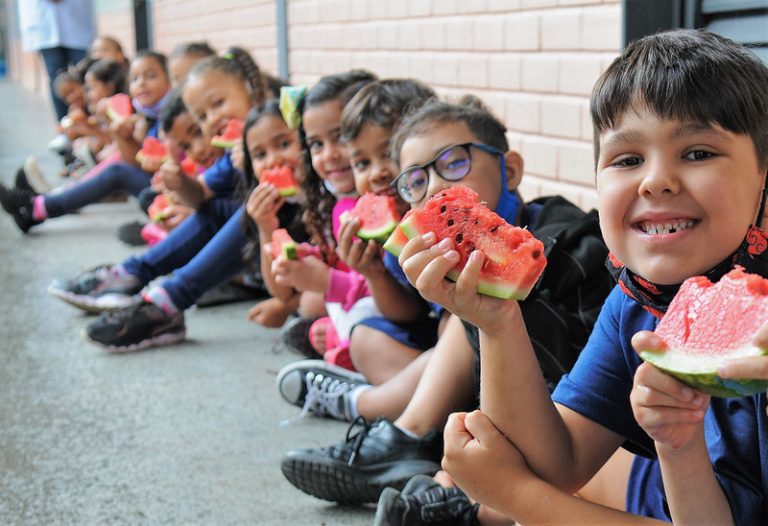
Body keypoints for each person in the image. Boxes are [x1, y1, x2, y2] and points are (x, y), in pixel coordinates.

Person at [398, 29, 768, 524]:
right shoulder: (634, 302)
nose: (655, 180)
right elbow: (559, 461)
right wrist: (498, 321)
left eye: (698, 152)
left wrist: (514, 496)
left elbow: (538, 483)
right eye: (627, 159)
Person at [280, 96, 613, 510]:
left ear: (509, 170)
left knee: (477, 302)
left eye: (453, 163)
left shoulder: (577, 244)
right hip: (491, 404)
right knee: (389, 330)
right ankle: (409, 439)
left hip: (572, 419)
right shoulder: (444, 261)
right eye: (415, 183)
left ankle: (414, 445)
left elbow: (579, 385)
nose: (436, 187)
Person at [68, 47, 270, 351]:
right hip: (257, 250)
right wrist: (181, 182)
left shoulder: (274, 131)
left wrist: (258, 168)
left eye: (218, 103)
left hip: (287, 250)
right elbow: (200, 194)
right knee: (215, 209)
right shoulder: (234, 147)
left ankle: (168, 301)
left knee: (253, 210)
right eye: (202, 115)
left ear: (250, 91)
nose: (213, 118)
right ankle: (133, 276)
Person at [275, 79, 445, 420]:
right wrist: (374, 273)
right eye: (363, 163)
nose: (379, 172)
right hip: (421, 340)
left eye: (388, 155)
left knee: (453, 343)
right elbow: (407, 312)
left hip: (460, 347)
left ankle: (371, 403)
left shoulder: (437, 216)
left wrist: (333, 283)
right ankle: (415, 402)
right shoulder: (368, 221)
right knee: (365, 336)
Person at [0, 52, 172, 234]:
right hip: (158, 186)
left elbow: (136, 164)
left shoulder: (170, 118)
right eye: (135, 78)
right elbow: (135, 161)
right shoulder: (144, 115)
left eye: (151, 76)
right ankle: (41, 202)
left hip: (173, 193)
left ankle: (38, 205)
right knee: (115, 166)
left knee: (116, 169)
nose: (142, 83)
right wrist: (120, 134)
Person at [240, 100, 311, 327]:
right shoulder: (280, 209)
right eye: (260, 155)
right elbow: (281, 291)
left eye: (283, 144)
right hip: (313, 294)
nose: (273, 160)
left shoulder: (331, 197)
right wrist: (266, 226)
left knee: (311, 304)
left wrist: (286, 307)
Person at [18, 0, 95, 152]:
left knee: (87, 74)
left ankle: (93, 123)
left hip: (75, 19)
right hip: (44, 24)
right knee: (56, 78)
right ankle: (66, 129)